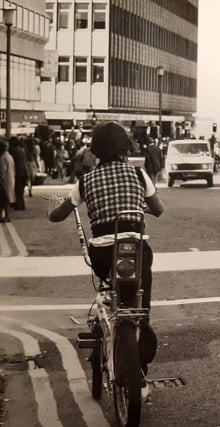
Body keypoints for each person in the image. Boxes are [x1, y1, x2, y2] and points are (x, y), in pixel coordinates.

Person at [47, 122, 165, 400]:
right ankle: (141, 366)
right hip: (136, 251)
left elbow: (59, 214)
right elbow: (159, 210)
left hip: (102, 253)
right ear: (125, 146)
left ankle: (108, 323)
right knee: (138, 307)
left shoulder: (86, 181)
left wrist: (54, 209)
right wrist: (140, 205)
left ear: (96, 149)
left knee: (109, 289)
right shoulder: (138, 173)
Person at [0, 140, 15, 222]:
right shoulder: (9, 156)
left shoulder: (2, 158)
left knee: (4, 200)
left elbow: (2, 171)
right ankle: (6, 216)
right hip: (10, 179)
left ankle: (6, 216)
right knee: (5, 200)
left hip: (5, 181)